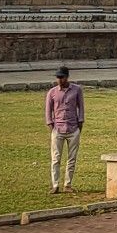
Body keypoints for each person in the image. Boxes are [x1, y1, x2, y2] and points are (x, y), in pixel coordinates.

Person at [45, 64, 85, 193]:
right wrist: (51, 126)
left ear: (67, 77)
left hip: (73, 128)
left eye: (62, 77)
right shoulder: (52, 92)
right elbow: (48, 111)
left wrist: (80, 125)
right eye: (58, 77)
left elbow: (81, 108)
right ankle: (55, 185)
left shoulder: (77, 90)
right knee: (56, 158)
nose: (59, 80)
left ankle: (68, 184)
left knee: (71, 158)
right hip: (58, 128)